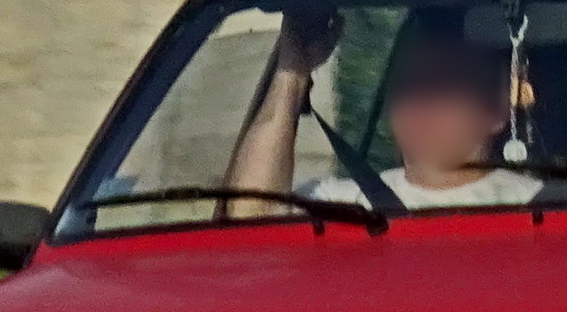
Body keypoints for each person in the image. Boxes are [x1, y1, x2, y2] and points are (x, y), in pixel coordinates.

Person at [225, 12, 543, 213]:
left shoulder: (540, 207)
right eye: (408, 82)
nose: (418, 101)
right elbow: (248, 215)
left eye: (442, 85)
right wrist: (293, 73)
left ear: (496, 111)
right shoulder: (343, 204)